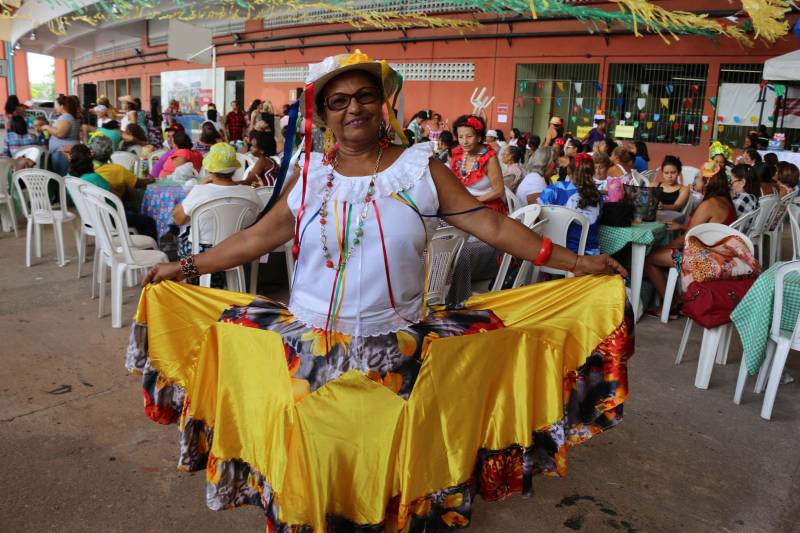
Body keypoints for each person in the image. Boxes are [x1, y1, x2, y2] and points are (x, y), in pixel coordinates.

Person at [135, 51, 630, 530]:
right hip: (310, 350)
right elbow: (256, 237)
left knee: (394, 460)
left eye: (365, 95)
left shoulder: (420, 170)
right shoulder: (311, 176)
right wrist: (184, 266)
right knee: (320, 459)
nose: (354, 107)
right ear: (324, 115)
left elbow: (493, 227)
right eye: (339, 100)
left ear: (383, 104)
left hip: (399, 352)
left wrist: (576, 262)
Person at [645, 170, 737, 319]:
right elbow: (700, 230)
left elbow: (687, 238)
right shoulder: (725, 201)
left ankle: (672, 305)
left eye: (698, 179)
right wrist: (680, 228)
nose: (694, 182)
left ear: (707, 182)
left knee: (649, 258)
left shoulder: (709, 204)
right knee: (660, 253)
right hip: (716, 254)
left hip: (702, 260)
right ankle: (675, 300)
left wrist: (665, 248)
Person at [173, 143, 261, 288]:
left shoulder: (200, 191)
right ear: (234, 170)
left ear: (209, 170)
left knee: (183, 240)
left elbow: (178, 218)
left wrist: (200, 185)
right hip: (237, 251)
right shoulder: (250, 193)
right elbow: (256, 220)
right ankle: (225, 285)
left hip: (200, 255)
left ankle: (193, 286)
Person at [88, 134, 157, 240]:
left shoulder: (87, 169)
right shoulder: (117, 170)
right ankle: (148, 248)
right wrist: (151, 180)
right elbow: (138, 184)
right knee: (148, 221)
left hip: (91, 217)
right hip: (113, 216)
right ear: (110, 152)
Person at [450, 114, 506, 213]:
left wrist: (473, 202)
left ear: (479, 137)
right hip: (465, 205)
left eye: (469, 136)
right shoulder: (459, 153)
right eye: (460, 137)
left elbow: (499, 191)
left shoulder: (489, 157)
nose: (464, 142)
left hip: (487, 209)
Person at [564, 154, 602, 255]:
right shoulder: (598, 196)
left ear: (569, 171)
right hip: (592, 253)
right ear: (593, 172)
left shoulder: (558, 190)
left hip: (564, 253)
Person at [41, 94, 80, 176]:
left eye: (56, 105)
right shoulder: (69, 116)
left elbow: (60, 133)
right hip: (65, 150)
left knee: (62, 177)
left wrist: (46, 127)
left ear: (62, 106)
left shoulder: (66, 117)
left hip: (62, 152)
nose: (55, 108)